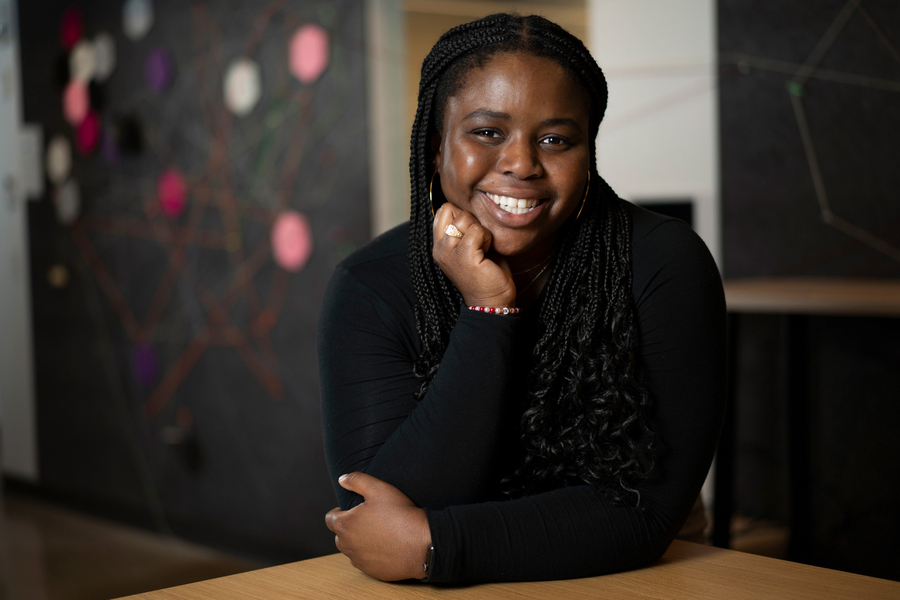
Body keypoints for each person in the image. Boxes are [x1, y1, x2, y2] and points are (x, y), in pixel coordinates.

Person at [320, 13, 726, 583]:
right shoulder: (371, 285)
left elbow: (646, 513)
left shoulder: (665, 264)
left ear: (588, 154)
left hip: (633, 579)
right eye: (487, 132)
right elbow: (380, 515)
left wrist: (440, 542)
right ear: (438, 147)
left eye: (556, 139)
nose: (521, 163)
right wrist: (487, 312)